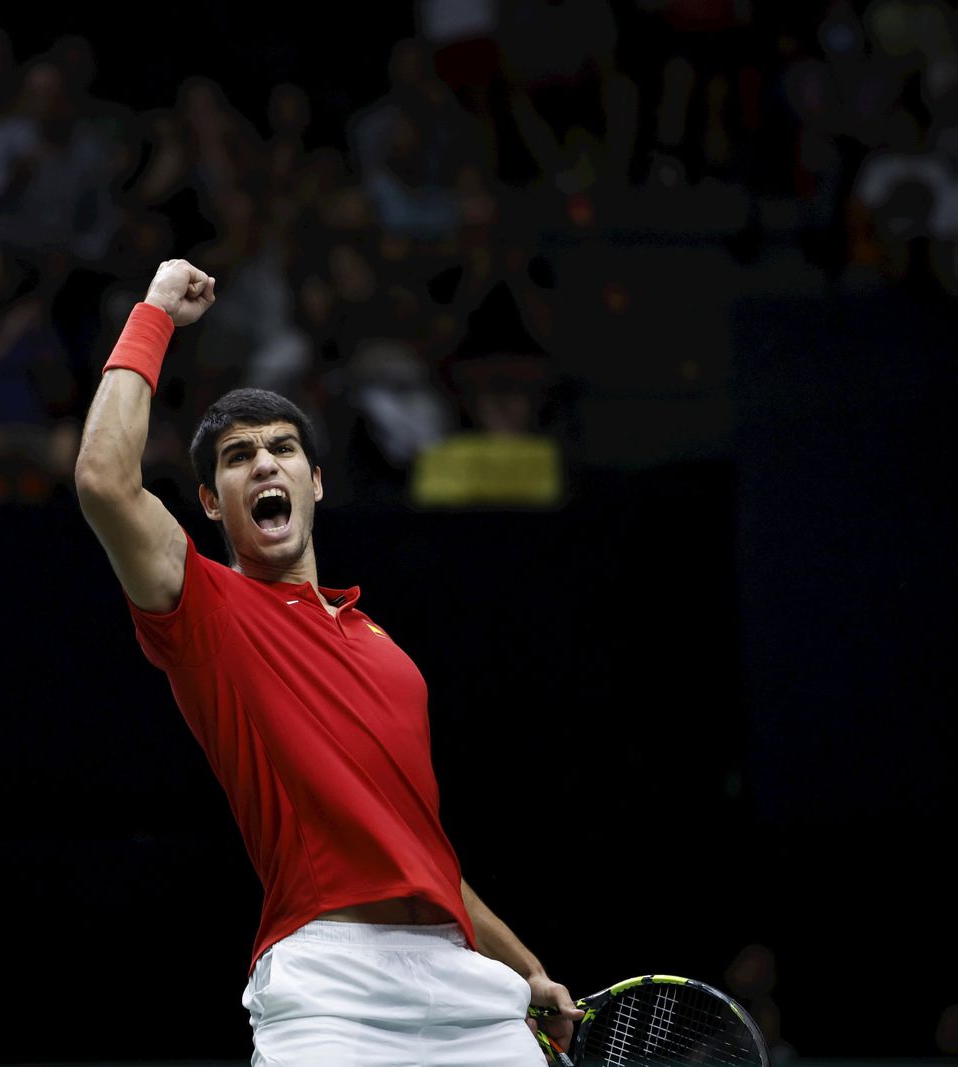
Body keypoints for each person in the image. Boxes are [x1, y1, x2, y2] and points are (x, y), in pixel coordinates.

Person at [74, 259, 582, 1065]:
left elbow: (420, 853)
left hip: (467, 988)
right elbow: (103, 480)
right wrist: (154, 313)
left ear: (314, 481)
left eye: (282, 449)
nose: (263, 463)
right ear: (210, 502)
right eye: (237, 457)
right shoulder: (206, 609)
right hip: (329, 985)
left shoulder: (389, 653)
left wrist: (524, 968)